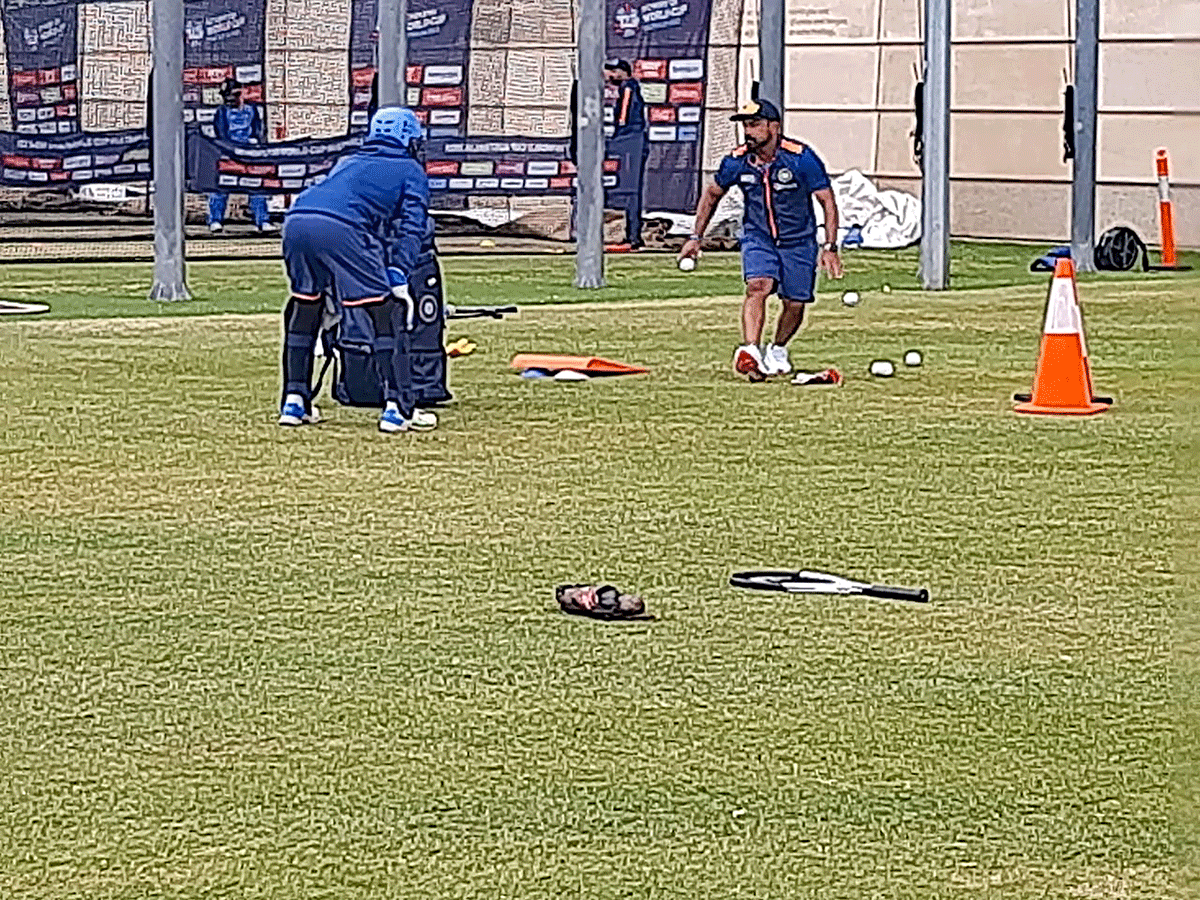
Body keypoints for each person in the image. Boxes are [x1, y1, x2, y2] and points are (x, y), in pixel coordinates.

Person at [278, 106, 437, 434]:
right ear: (407, 139)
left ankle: (295, 400)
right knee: (383, 311)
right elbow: (412, 227)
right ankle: (399, 408)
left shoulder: (348, 161)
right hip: (343, 227)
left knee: (305, 305)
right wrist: (398, 273)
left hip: (297, 218)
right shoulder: (410, 170)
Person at [678, 98, 843, 381]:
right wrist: (696, 237)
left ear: (774, 127)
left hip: (798, 241)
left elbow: (827, 200)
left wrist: (829, 246)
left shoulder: (801, 158)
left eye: (754, 124)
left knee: (795, 302)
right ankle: (751, 351)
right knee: (758, 285)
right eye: (745, 125)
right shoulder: (736, 161)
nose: (748, 131)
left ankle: (777, 349)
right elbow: (712, 195)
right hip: (759, 237)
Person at [208, 78, 275, 233]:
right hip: (229, 152)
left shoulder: (251, 111)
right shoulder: (222, 112)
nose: (232, 99)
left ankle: (263, 220)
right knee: (220, 186)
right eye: (228, 96)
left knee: (256, 186)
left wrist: (257, 146)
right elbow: (221, 133)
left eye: (235, 95)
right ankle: (215, 220)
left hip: (249, 154)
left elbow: (259, 131)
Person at [603, 58, 648, 250]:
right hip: (632, 141)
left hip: (632, 143)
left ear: (622, 72)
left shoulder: (628, 88)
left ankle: (633, 237)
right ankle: (633, 235)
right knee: (632, 191)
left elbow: (623, 119)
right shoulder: (628, 88)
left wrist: (615, 142)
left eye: (613, 72)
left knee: (632, 191)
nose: (609, 76)